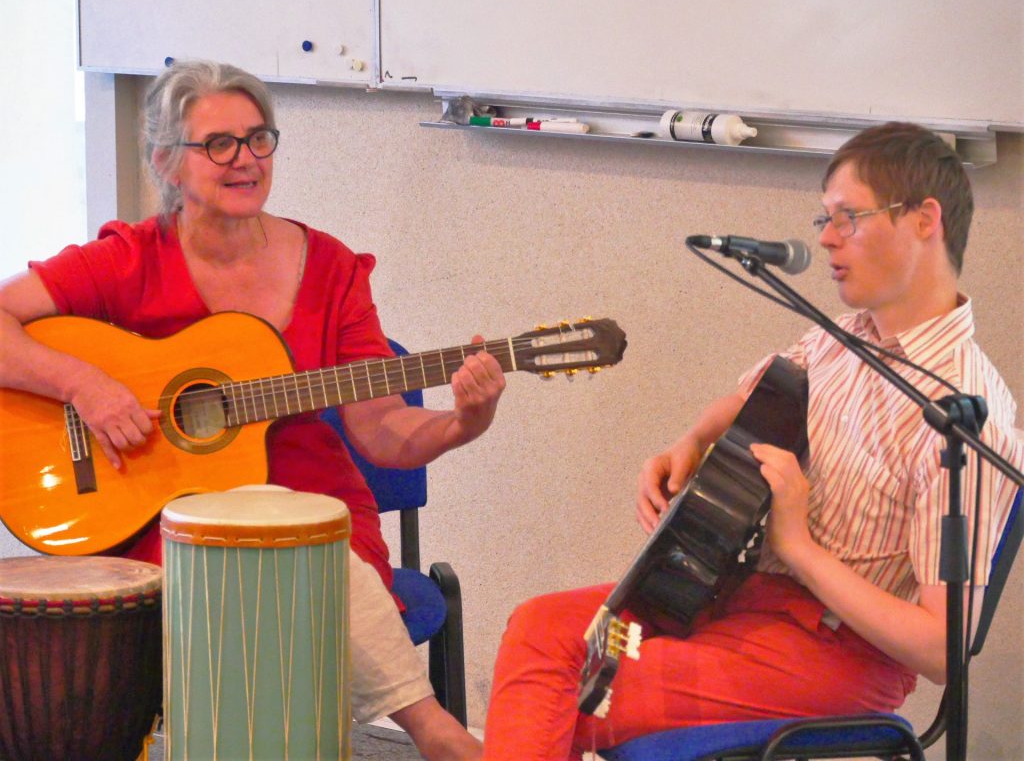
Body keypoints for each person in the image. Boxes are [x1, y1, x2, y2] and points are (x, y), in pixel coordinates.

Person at [0, 60, 503, 761]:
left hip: (318, 507)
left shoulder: (329, 267)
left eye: (259, 138)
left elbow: (382, 431)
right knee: (228, 584)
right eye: (219, 144)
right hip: (160, 519)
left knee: (305, 549)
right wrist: (82, 384)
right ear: (167, 163)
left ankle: (434, 735)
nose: (246, 160)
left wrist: (461, 421)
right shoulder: (127, 261)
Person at [482, 122, 1024, 759]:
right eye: (824, 218)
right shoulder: (843, 337)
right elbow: (757, 393)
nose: (825, 238)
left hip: (831, 655)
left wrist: (797, 546)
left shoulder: (966, 417)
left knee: (584, 691)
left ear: (924, 219)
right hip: (731, 600)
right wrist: (690, 440)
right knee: (542, 630)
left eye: (848, 217)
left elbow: (939, 649)